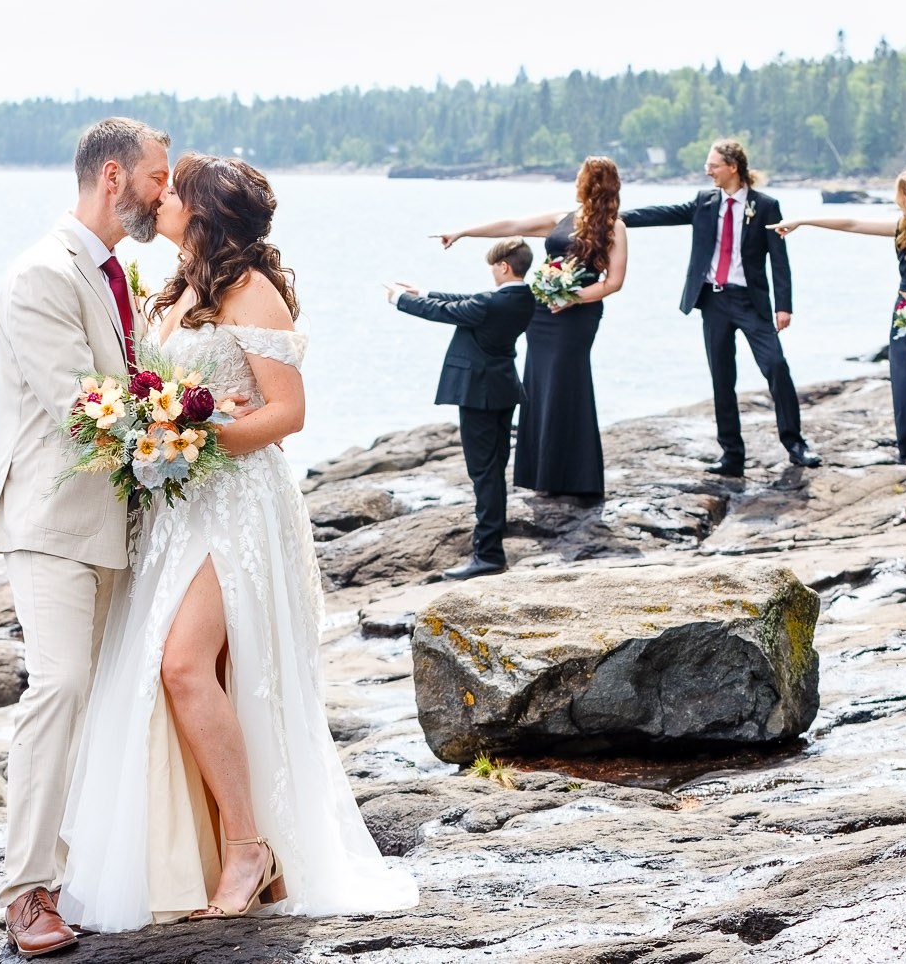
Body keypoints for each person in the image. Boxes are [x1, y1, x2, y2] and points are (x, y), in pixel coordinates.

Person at [60, 153, 417, 930]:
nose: (161, 195)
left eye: (175, 190)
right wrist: (153, 431)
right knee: (194, 670)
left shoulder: (251, 290)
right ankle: (210, 851)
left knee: (183, 664)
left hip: (237, 505)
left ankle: (249, 845)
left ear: (204, 211)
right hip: (180, 505)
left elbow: (287, 412)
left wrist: (195, 436)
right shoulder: (177, 286)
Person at [0, 115, 170, 958]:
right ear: (113, 176)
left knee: (101, 700)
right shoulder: (40, 272)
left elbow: (128, 380)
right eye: (157, 176)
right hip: (54, 524)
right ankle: (24, 889)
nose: (164, 192)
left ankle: (76, 873)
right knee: (58, 686)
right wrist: (186, 423)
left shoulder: (115, 270)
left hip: (117, 526)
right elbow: (82, 403)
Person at [771, 169, 906, 520]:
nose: (896, 200)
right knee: (904, 409)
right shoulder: (902, 231)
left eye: (900, 194)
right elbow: (852, 223)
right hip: (900, 330)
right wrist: (802, 221)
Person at [620, 138, 820, 474]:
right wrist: (616, 217)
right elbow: (664, 213)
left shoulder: (766, 206)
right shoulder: (705, 201)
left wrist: (783, 306)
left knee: (776, 366)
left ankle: (795, 443)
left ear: (732, 167)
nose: (707, 171)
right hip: (713, 301)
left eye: (713, 165)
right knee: (722, 379)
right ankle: (731, 456)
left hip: (751, 303)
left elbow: (779, 261)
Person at [436, 156, 629, 501]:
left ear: (593, 183)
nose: (575, 182)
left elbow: (613, 282)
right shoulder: (562, 218)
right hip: (542, 315)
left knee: (567, 383)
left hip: (578, 316)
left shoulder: (615, 227)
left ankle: (577, 478)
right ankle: (540, 474)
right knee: (538, 384)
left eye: (580, 177)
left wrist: (572, 298)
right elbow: (512, 225)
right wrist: (463, 232)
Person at [385, 237, 537, 581]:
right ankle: (491, 550)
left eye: (493, 267)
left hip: (479, 395)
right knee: (493, 471)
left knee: (484, 474)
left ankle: (488, 555)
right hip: (502, 390)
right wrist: (424, 292)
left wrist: (400, 299)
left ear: (503, 267)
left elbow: (445, 312)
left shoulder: (489, 303)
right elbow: (465, 301)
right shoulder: (523, 298)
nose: (492, 273)